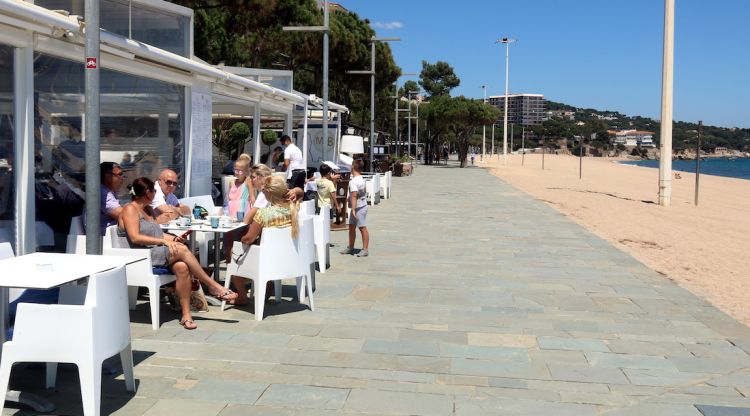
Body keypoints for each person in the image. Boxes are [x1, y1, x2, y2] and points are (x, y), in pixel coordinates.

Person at [118, 177, 237, 330]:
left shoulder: (147, 210)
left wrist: (173, 239)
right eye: (154, 191)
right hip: (138, 256)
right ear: (147, 192)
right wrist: (164, 242)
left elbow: (158, 234)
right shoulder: (130, 209)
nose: (155, 193)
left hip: (152, 252)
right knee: (181, 250)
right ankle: (213, 285)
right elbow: (135, 237)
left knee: (182, 266)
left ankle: (186, 315)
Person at [230, 175, 300, 305]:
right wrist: (296, 191)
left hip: (267, 259)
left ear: (268, 193)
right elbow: (300, 193)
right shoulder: (294, 207)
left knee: (235, 252)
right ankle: (266, 284)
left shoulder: (263, 214)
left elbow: (249, 238)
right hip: (288, 258)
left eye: (263, 191)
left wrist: (241, 239)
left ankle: (242, 296)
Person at [222, 155, 254, 263]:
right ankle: (228, 265)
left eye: (240, 170)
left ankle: (239, 266)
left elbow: (252, 197)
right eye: (235, 169)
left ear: (246, 172)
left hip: (243, 215)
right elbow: (227, 200)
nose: (237, 172)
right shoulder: (232, 182)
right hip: (231, 215)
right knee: (228, 241)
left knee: (240, 240)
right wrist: (223, 211)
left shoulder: (247, 182)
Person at [341, 160, 369, 257]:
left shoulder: (353, 181)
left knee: (362, 227)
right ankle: (350, 247)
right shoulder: (361, 179)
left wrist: (353, 210)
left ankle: (365, 249)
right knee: (352, 227)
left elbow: (354, 195)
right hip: (363, 205)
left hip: (358, 208)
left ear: (353, 167)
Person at [100, 162, 125, 235]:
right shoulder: (102, 193)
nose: (122, 178)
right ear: (108, 176)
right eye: (119, 175)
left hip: (111, 233)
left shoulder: (110, 191)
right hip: (103, 238)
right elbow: (123, 215)